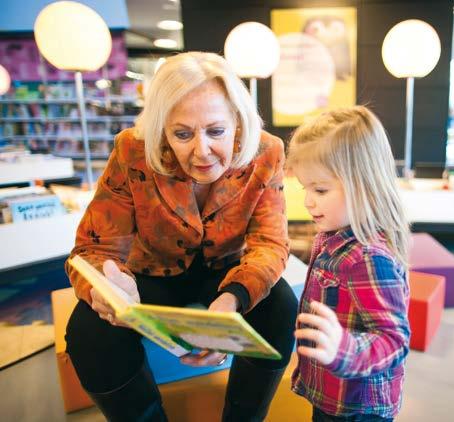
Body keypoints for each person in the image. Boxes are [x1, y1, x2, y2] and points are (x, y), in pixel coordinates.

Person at [65, 51, 298, 422]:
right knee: (87, 331)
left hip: (227, 273)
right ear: (161, 129)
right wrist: (108, 288)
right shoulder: (132, 150)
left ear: (237, 122)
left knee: (281, 306)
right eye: (182, 134)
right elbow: (95, 246)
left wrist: (233, 300)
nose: (201, 151)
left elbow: (270, 243)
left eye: (216, 131)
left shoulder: (267, 152)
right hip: (149, 275)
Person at [286, 106, 410, 421]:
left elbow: (393, 341)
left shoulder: (369, 258)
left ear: (363, 185)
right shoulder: (333, 236)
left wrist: (343, 348)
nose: (308, 201)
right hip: (332, 395)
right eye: (306, 188)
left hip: (358, 408)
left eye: (320, 190)